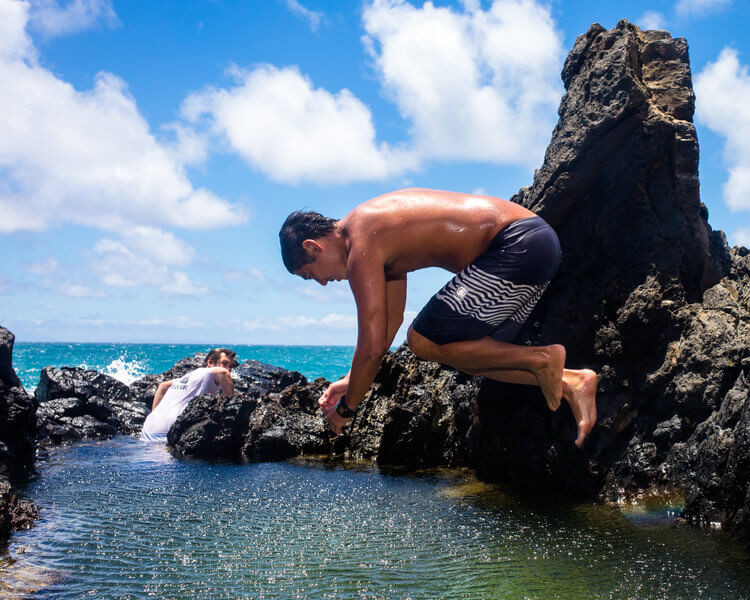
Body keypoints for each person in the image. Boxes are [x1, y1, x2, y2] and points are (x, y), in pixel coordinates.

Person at [279, 188, 597, 447]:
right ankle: (572, 380)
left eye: (311, 275)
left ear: (313, 247)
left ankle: (544, 359)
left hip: (517, 245)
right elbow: (389, 322)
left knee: (422, 340)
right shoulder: (371, 235)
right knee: (468, 354)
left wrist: (348, 409)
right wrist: (351, 381)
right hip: (537, 248)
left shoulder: (360, 242)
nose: (321, 283)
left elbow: (372, 347)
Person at [140, 348, 237, 442]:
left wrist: (154, 414)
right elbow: (224, 372)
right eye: (224, 363)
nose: (228, 369)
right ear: (210, 362)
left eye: (230, 366)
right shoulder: (209, 373)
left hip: (147, 431)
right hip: (166, 435)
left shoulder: (189, 376)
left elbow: (163, 386)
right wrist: (233, 411)